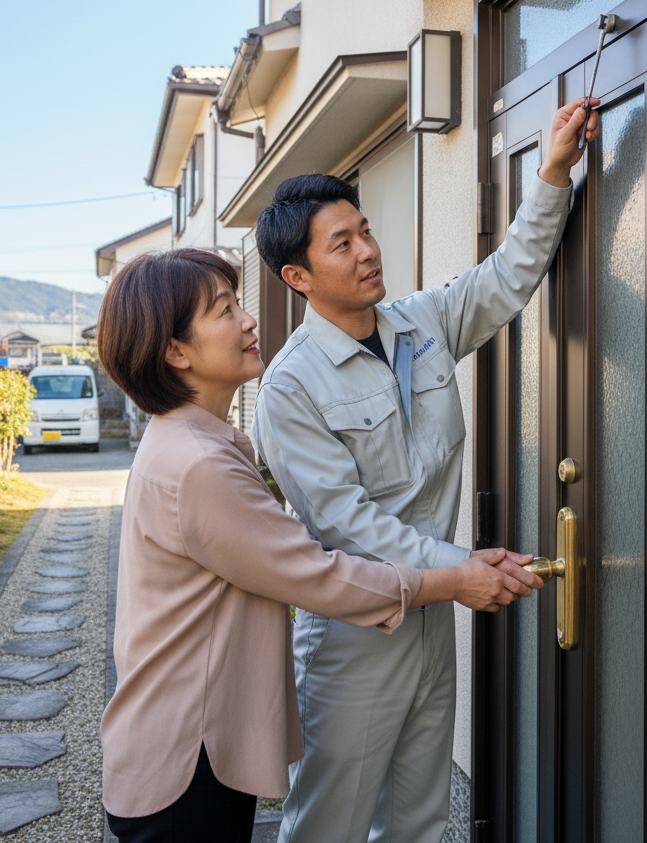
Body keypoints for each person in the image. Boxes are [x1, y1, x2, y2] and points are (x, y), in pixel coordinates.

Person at [96, 248, 536, 843]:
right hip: (184, 757)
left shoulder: (196, 440)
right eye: (225, 311)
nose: (248, 321)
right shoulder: (199, 462)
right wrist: (453, 580)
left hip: (187, 740)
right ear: (176, 351)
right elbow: (315, 575)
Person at [251, 98, 600, 843]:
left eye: (365, 230)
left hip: (433, 619)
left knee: (416, 821)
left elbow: (509, 275)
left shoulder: (422, 323)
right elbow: (346, 522)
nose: (368, 250)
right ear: (298, 275)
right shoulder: (289, 388)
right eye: (341, 244)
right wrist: (462, 569)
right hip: (355, 634)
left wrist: (553, 170)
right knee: (328, 827)